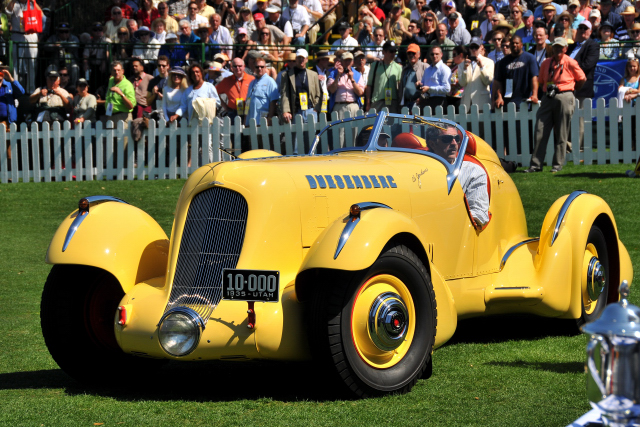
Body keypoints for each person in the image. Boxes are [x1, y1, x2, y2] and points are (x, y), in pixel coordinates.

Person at [525, 37, 586, 173]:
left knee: (562, 132)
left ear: (565, 49)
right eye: (556, 47)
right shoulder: (546, 63)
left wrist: (571, 90)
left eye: (561, 47)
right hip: (548, 96)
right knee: (540, 129)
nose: (558, 49)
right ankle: (536, 165)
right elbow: (541, 81)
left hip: (565, 95)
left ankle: (557, 165)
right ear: (552, 48)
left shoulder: (570, 62)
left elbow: (582, 78)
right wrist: (549, 90)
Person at [426, 124, 490, 230]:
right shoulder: (419, 170)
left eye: (457, 138)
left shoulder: (473, 171)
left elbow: (479, 214)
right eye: (447, 139)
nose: (454, 143)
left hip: (457, 232)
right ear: (432, 144)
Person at [279, 48, 321, 153]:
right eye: (298, 58)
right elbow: (284, 94)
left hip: (310, 110)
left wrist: (316, 108)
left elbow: (318, 93)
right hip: (296, 111)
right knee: (295, 144)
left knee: (311, 143)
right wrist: (286, 110)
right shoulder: (287, 75)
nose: (301, 60)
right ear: (296, 59)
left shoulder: (313, 74)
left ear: (307, 59)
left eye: (303, 58)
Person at [567, 20, 599, 152]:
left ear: (590, 31)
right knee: (568, 117)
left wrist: (569, 72)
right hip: (568, 87)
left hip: (582, 87)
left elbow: (587, 65)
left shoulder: (593, 46)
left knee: (580, 118)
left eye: (585, 28)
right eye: (580, 28)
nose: (582, 30)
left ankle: (578, 147)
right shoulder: (571, 47)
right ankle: (568, 146)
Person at [493, 35, 539, 111]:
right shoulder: (503, 62)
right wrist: (499, 97)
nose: (514, 45)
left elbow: (534, 78)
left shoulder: (530, 58)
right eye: (512, 43)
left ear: (522, 45)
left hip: (525, 101)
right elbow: (498, 82)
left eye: (517, 43)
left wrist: (534, 95)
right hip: (507, 102)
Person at [6, 0, 40, 93]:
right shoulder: (15, 3)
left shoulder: (32, 3)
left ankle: (30, 90)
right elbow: (7, 11)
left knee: (31, 63)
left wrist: (34, 1)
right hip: (17, 35)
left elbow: (41, 15)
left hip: (31, 34)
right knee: (15, 63)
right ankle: (15, 89)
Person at [365, 41, 402, 113]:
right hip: (377, 101)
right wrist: (368, 102)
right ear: (383, 52)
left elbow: (400, 88)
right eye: (391, 51)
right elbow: (369, 85)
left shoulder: (398, 67)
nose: (393, 53)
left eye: (395, 51)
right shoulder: (375, 66)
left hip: (393, 101)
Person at [460, 37, 494, 112]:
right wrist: (465, 69)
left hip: (482, 103)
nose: (474, 50)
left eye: (476, 47)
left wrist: (482, 67)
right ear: (469, 48)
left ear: (481, 47)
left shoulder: (489, 62)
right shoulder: (462, 64)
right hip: (467, 104)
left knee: (483, 124)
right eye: (472, 47)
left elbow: (487, 81)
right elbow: (462, 83)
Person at [327, 51, 365, 118]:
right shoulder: (333, 73)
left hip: (353, 105)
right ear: (341, 61)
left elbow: (360, 93)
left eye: (349, 60)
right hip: (339, 106)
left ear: (352, 62)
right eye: (345, 60)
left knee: (354, 128)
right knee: (339, 128)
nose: (347, 63)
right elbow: (332, 90)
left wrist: (352, 80)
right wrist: (338, 76)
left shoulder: (357, 75)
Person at [245, 57, 279, 125]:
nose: (259, 69)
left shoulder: (270, 82)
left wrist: (270, 119)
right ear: (254, 67)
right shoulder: (252, 83)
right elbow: (248, 102)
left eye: (262, 67)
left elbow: (273, 102)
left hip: (263, 122)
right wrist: (245, 120)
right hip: (251, 121)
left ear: (265, 67)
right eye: (257, 67)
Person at [419, 46, 451, 110]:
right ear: (429, 55)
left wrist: (429, 89)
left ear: (441, 55)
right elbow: (424, 85)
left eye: (437, 54)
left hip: (439, 101)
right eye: (432, 54)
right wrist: (419, 84)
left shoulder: (444, 69)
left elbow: (447, 89)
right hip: (426, 100)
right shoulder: (427, 70)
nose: (434, 56)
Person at [400, 43, 428, 111]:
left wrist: (422, 98)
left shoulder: (425, 67)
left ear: (419, 54)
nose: (411, 55)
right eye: (409, 53)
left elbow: (430, 85)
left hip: (419, 104)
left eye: (413, 53)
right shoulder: (405, 69)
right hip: (406, 104)